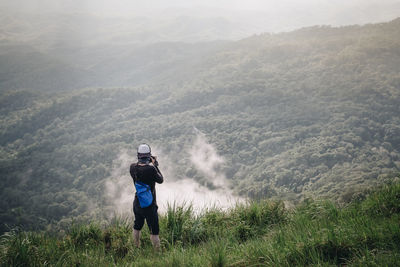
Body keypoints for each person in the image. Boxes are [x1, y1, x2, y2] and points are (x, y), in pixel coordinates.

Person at [130, 143, 164, 251]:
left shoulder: (132, 168)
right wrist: (155, 165)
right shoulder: (151, 169)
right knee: (154, 231)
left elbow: (141, 169)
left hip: (137, 202)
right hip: (149, 205)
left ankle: (136, 247)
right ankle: (157, 253)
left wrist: (149, 162)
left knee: (137, 226)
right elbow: (161, 180)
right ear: (149, 155)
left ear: (138, 155)